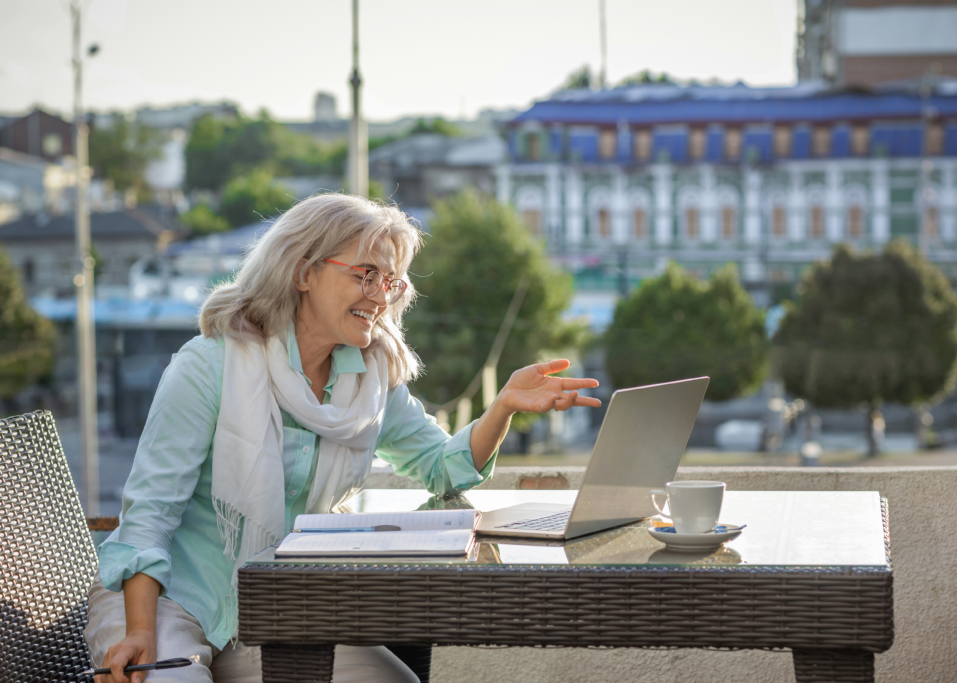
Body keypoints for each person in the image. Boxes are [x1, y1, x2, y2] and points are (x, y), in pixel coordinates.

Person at [86, 193, 601, 683]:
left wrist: (504, 405)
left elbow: (442, 467)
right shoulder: (210, 365)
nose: (381, 296)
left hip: (273, 612)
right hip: (167, 600)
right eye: (366, 275)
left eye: (392, 282)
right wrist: (140, 631)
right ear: (304, 272)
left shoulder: (368, 379)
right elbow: (148, 516)